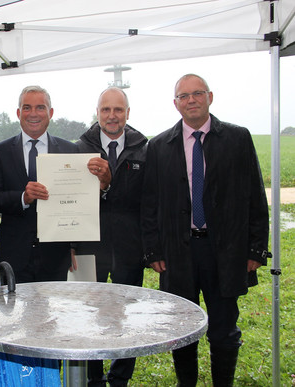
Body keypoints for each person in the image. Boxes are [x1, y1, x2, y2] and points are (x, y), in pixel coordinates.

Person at [141, 74, 270, 386]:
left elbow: (255, 194)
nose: (191, 100)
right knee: (183, 327)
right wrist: (153, 251)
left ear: (210, 97)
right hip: (177, 253)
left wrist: (255, 249)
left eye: (197, 93)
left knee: (225, 328)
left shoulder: (238, 139)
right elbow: (149, 205)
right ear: (176, 104)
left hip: (225, 250)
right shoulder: (159, 146)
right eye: (184, 96)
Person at [73, 87, 147, 387]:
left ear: (128, 113)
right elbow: (72, 199)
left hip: (130, 248)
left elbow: (149, 201)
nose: (112, 116)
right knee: (88, 314)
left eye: (118, 110)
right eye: (106, 110)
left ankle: (119, 378)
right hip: (89, 248)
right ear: (98, 113)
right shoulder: (79, 148)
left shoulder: (145, 148)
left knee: (125, 315)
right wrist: (71, 246)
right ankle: (93, 377)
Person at [0, 85, 83, 283]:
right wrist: (23, 197)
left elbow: (76, 202)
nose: (33, 114)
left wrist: (73, 246)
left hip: (55, 257)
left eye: (40, 107)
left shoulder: (69, 150)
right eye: (27, 107)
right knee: (13, 313)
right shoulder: (0, 151)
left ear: (51, 113)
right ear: (18, 112)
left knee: (54, 315)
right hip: (14, 256)